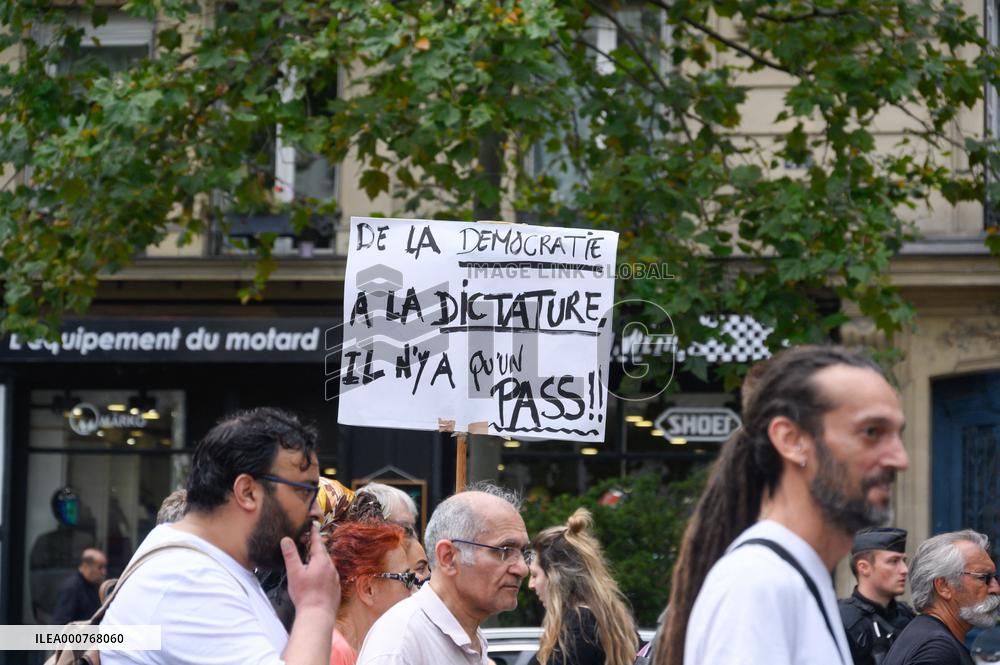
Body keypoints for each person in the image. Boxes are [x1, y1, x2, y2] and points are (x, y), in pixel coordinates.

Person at [658, 345, 909, 665]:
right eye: (871, 432)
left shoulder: (791, 577)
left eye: (897, 434)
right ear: (791, 440)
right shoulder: (758, 584)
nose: (900, 458)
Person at [101, 407, 340, 665]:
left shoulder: (208, 566)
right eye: (306, 491)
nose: (316, 510)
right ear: (247, 492)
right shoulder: (188, 580)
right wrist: (316, 607)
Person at [357, 483, 530, 665]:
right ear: (448, 557)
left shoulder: (470, 636)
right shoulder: (400, 643)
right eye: (505, 550)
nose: (522, 568)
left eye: (523, 552)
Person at [527, 508, 638, 665]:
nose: (531, 585)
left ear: (555, 577)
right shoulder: (613, 619)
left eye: (535, 575)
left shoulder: (579, 626)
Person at [883, 530, 1000, 665]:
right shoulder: (936, 650)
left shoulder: (928, 636)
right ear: (944, 586)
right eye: (983, 577)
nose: (996, 588)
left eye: (995, 578)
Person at [328, 521, 413, 665]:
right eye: (406, 579)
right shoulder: (335, 652)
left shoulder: (359, 651)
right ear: (368, 589)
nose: (413, 591)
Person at [839, 527, 915, 665]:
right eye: (893, 561)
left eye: (904, 560)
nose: (905, 570)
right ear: (864, 567)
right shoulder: (841, 621)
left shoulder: (907, 616)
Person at [51, 547, 107, 624]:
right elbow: (60, 623)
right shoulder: (72, 588)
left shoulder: (95, 586)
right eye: (99, 567)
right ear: (86, 567)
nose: (103, 572)